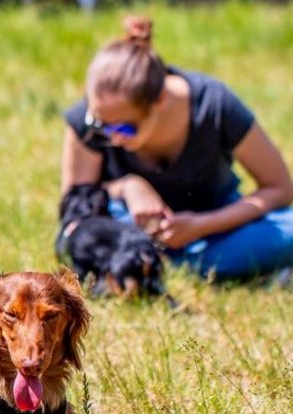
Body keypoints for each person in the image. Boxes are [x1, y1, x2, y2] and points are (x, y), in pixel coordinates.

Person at [61, 16, 293, 281]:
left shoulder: (214, 104)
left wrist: (200, 225)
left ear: (160, 100)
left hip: (216, 227)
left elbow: (280, 188)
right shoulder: (87, 121)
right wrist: (128, 187)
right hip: (128, 230)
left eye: (125, 129)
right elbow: (75, 207)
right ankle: (201, 266)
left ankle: (164, 266)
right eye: (100, 124)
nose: (111, 137)